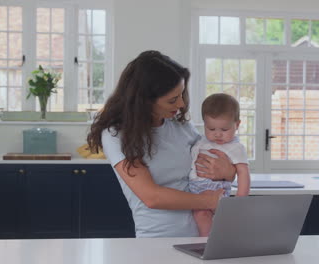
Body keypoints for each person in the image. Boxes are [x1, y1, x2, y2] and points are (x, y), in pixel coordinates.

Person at [87, 50, 236, 238]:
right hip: (159, 239)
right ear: (144, 101)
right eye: (172, 100)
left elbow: (214, 164)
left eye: (181, 94)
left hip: (206, 234)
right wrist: (209, 201)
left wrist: (229, 172)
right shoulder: (116, 135)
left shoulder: (180, 125)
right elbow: (152, 197)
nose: (181, 104)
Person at [189, 93, 250, 236]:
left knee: (213, 218)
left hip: (217, 190)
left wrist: (240, 201)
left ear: (237, 125)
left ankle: (209, 243)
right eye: (211, 129)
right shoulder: (201, 141)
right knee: (200, 215)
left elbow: (243, 173)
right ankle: (209, 242)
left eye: (224, 130)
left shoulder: (236, 148)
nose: (217, 134)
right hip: (194, 190)